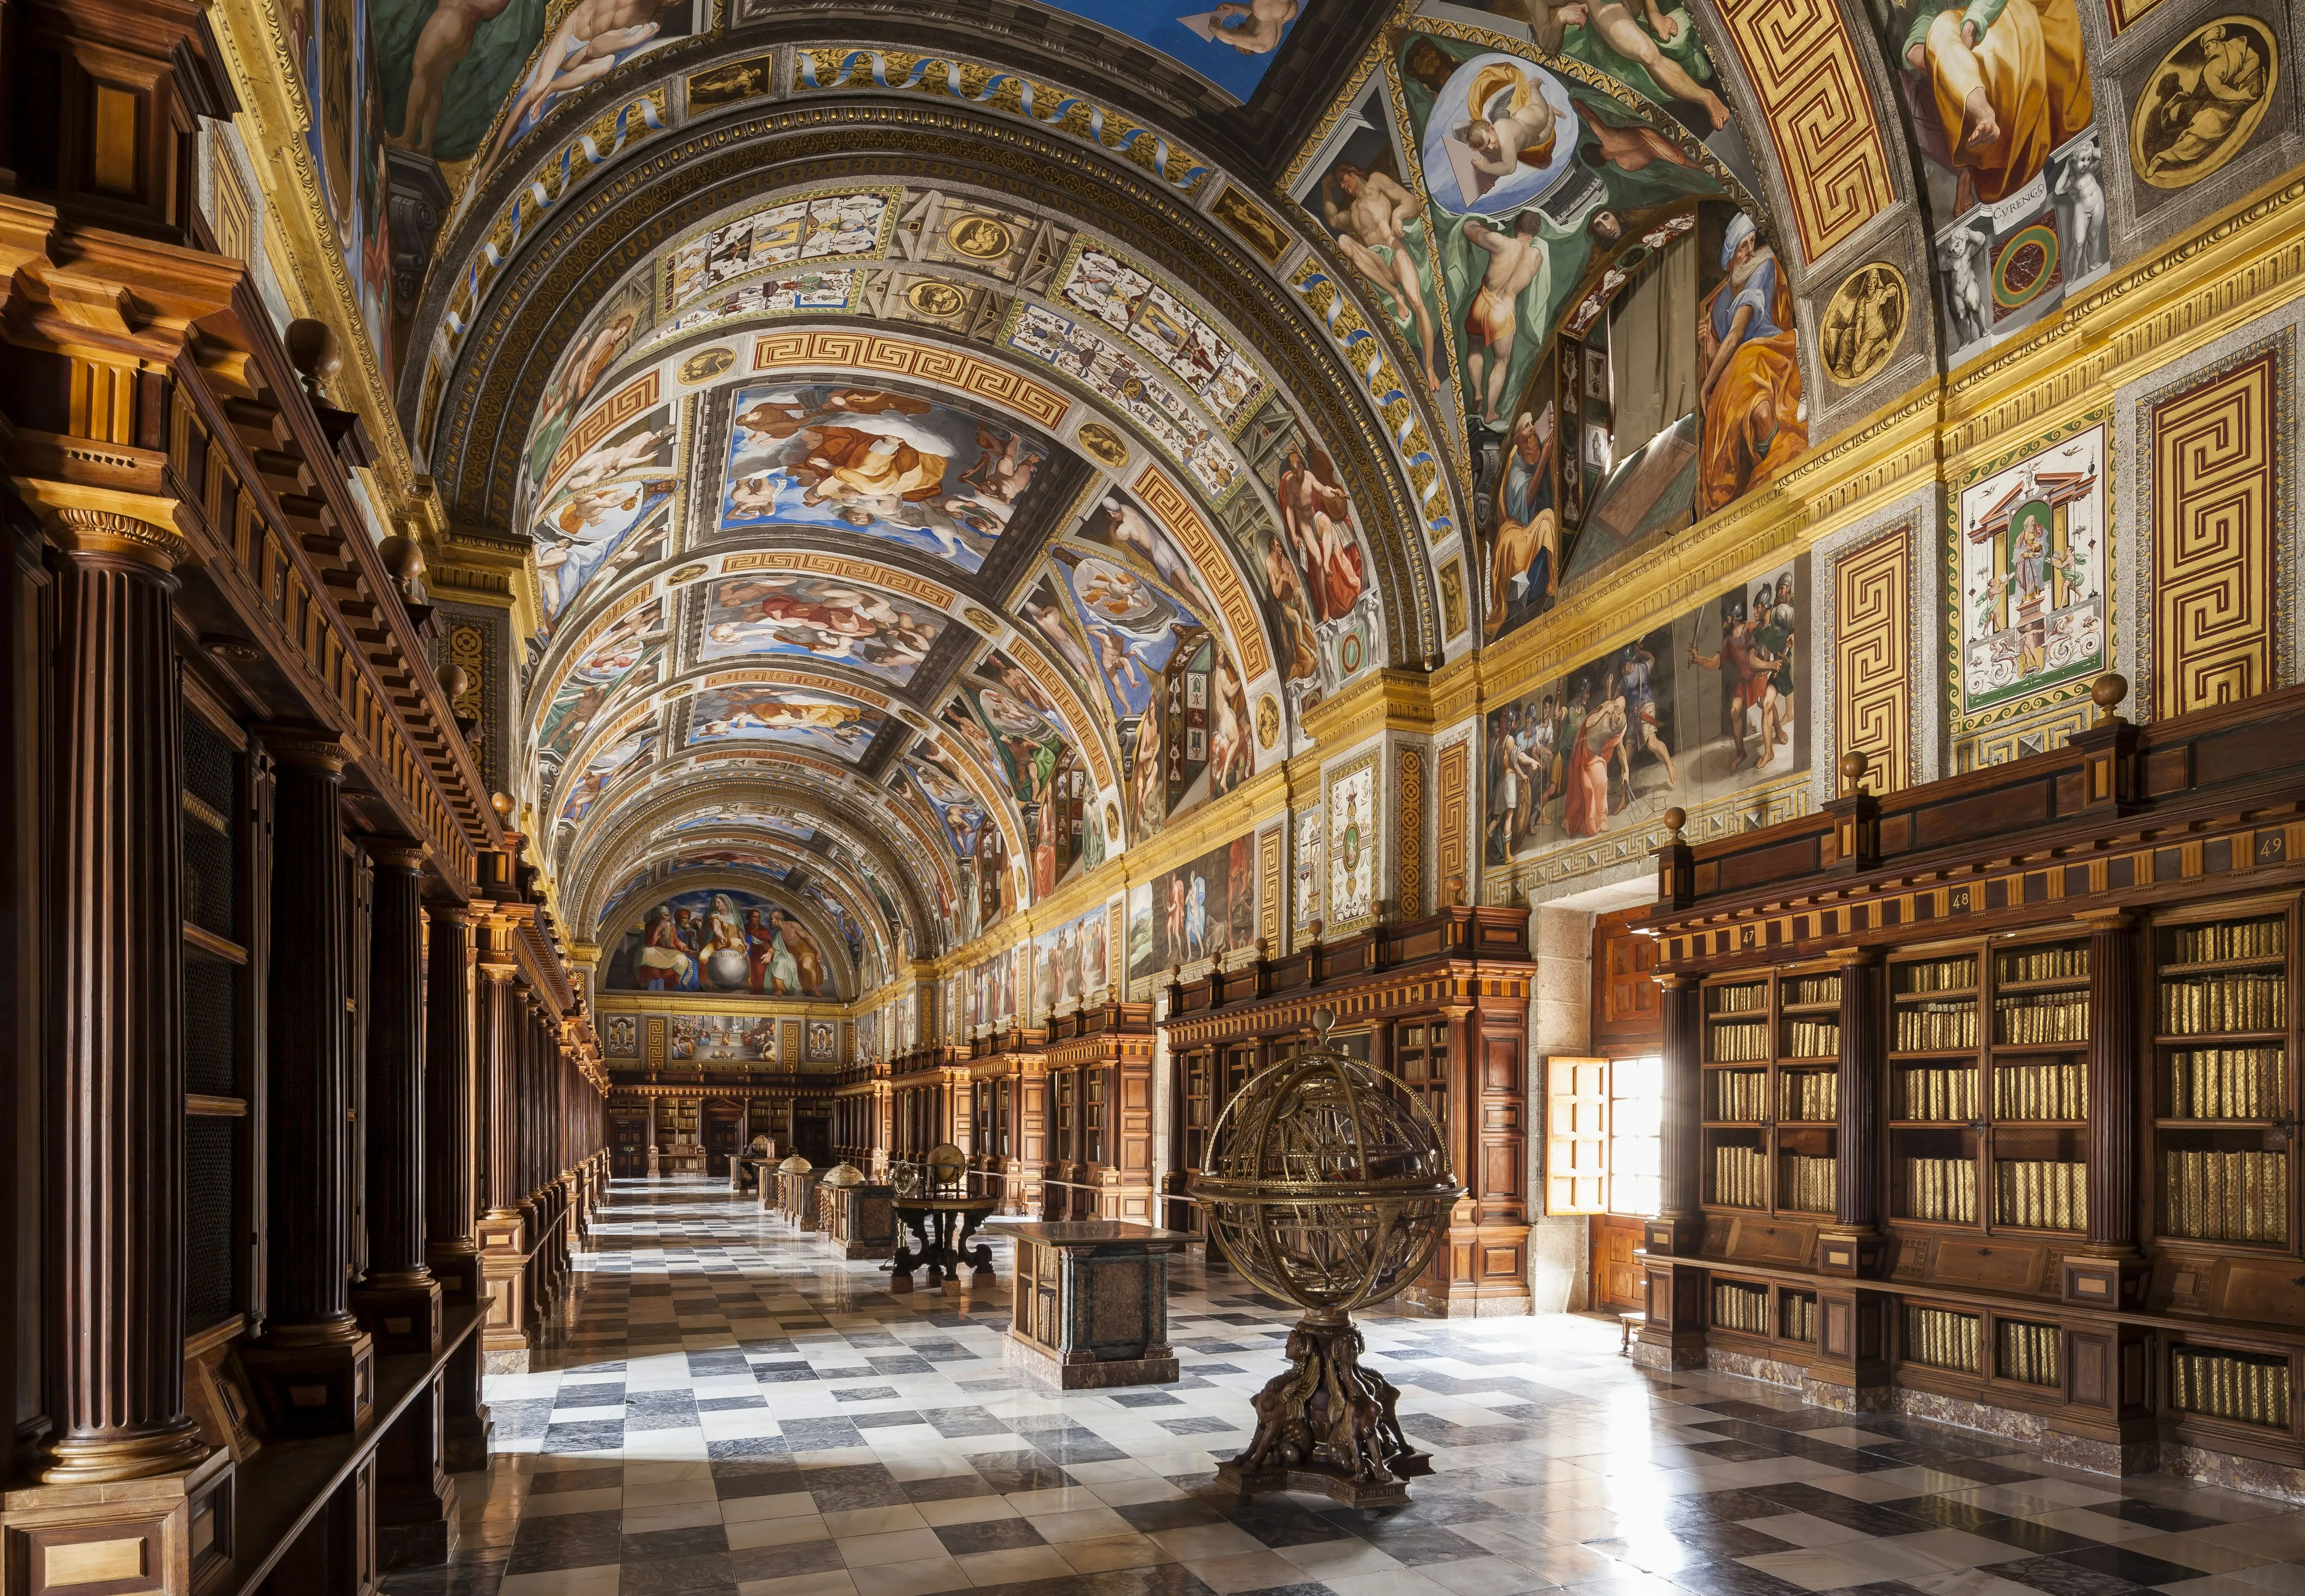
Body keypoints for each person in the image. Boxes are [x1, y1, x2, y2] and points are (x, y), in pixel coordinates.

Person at [1901, 0, 2092, 206]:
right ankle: (1983, 114)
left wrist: (1972, 23)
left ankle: (1973, 161)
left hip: (2010, 18)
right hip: (1973, 56)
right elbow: (1918, 40)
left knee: (2007, 23)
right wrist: (1942, 57)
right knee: (1939, 29)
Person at [1697, 214, 1808, 513]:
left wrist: (1705, 388)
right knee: (1736, 384)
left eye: (1750, 244)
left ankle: (1774, 453)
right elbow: (1721, 355)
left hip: (1772, 350)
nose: (1748, 252)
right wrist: (1709, 344)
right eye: (1741, 248)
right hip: (1740, 365)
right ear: (1729, 257)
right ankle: (1749, 469)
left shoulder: (1763, 267)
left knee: (1753, 386)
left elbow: (1736, 337)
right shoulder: (1719, 302)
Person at [1320, 162, 1445, 391]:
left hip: (1394, 247)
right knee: (1344, 242)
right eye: (1342, 187)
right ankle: (1394, 294)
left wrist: (1398, 214)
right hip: (1378, 263)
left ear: (1354, 171)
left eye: (1345, 180)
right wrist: (1326, 185)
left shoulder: (1376, 181)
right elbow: (1333, 220)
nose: (1345, 187)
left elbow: (1411, 202)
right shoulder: (1352, 213)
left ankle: (1429, 367)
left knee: (1417, 302)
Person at [1463, 213, 1549, 425]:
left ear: (1515, 226)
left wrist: (1481, 224)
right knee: (1501, 362)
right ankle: (1490, 412)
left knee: (1475, 347)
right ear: (1536, 231)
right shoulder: (1537, 257)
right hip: (1504, 312)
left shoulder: (1502, 243)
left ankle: (1477, 393)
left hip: (1483, 301)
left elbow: (1469, 229)